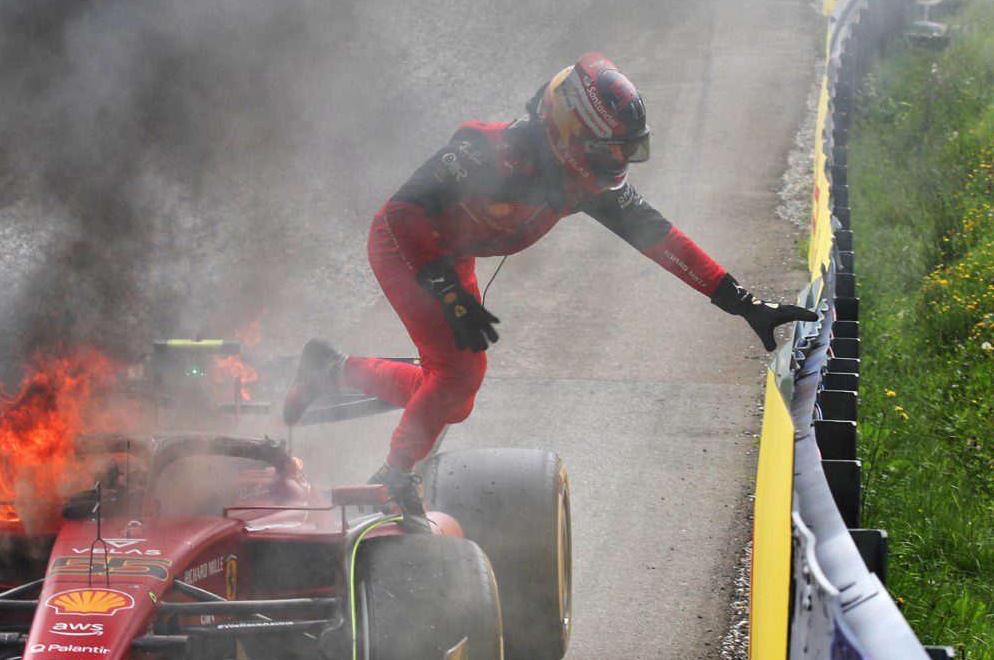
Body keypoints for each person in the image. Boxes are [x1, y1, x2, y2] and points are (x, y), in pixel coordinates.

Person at [284, 54, 816, 520]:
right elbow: (403, 212)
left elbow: (661, 239)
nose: (619, 167)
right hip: (406, 245)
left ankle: (332, 370)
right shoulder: (489, 151)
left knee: (454, 398)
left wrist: (744, 303)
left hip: (453, 252)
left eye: (628, 153)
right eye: (611, 153)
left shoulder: (582, 176)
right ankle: (392, 480)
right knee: (460, 373)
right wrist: (447, 292)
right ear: (570, 132)